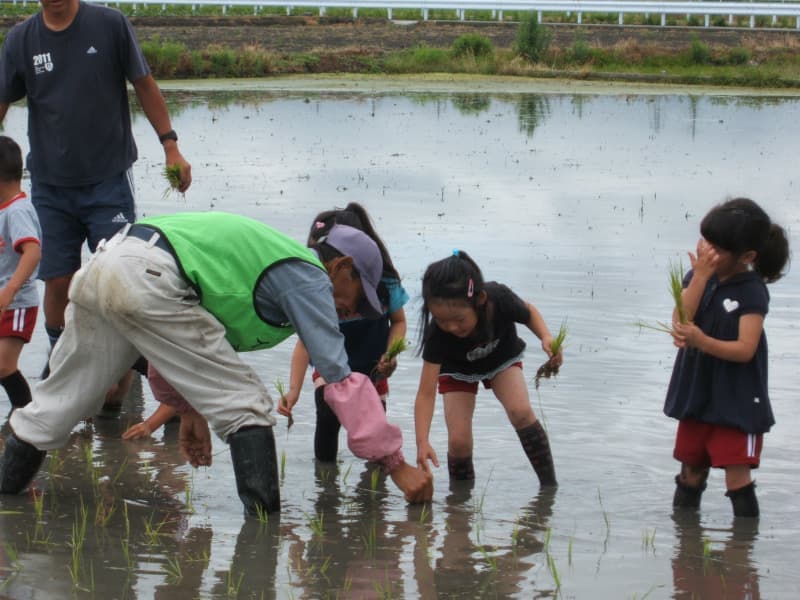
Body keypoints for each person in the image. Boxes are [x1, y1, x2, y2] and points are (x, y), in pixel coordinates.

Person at [0, 212, 433, 515]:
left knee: (58, 404)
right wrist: (395, 465)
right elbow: (339, 378)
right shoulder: (310, 275)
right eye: (358, 297)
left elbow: (174, 338)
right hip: (150, 273)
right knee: (249, 407)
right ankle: (262, 541)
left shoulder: (273, 260)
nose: (354, 311)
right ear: (342, 267)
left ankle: (5, 500)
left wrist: (188, 409)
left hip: (106, 265)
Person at [0, 0, 192, 384]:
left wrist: (170, 144)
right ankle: (62, 361)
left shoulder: (110, 24)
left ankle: (132, 368)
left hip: (108, 179)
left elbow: (144, 83)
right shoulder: (21, 40)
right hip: (51, 186)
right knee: (57, 279)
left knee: (119, 278)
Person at [665, 198, 789, 519]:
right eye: (705, 241)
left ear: (747, 257)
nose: (707, 251)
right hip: (697, 394)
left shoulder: (752, 292)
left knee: (737, 478)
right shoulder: (697, 277)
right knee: (690, 470)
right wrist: (701, 279)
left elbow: (745, 348)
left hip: (737, 401)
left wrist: (703, 341)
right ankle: (685, 547)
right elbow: (680, 320)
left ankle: (743, 554)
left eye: (717, 247)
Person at [413, 250, 562, 489]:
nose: (451, 327)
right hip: (457, 368)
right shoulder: (438, 334)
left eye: (459, 319)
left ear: (480, 300)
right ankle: (460, 508)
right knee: (459, 441)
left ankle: (549, 488)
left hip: (500, 357)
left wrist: (545, 337)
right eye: (441, 320)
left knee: (521, 411)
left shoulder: (498, 298)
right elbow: (425, 393)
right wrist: (422, 441)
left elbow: (529, 312)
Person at [278, 202, 409, 462]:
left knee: (376, 427)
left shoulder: (383, 283)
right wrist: (293, 389)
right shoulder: (317, 291)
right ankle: (325, 488)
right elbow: (306, 342)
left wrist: (390, 354)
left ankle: (374, 494)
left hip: (373, 368)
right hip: (330, 368)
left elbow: (399, 322)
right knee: (327, 416)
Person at [0, 136, 41, 410]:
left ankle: (27, 420)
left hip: (16, 304)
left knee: (3, 367)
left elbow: (32, 251)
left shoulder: (17, 211)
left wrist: (11, 289)